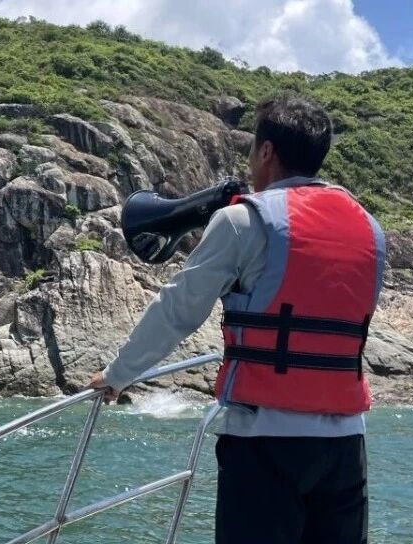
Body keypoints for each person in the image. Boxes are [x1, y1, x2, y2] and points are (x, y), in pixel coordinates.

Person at [87, 93, 385, 544]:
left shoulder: (243, 221)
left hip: (264, 440)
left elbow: (178, 309)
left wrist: (118, 376)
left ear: (266, 151)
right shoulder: (369, 229)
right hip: (345, 445)